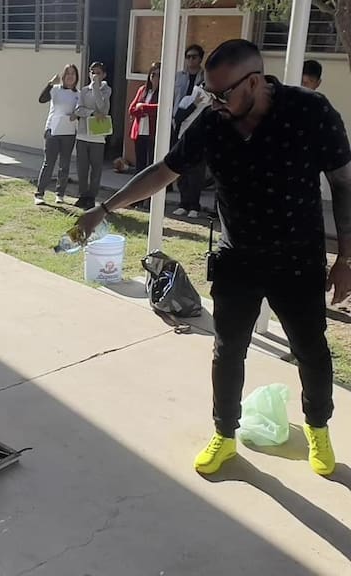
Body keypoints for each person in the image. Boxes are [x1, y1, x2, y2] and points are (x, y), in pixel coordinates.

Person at [76, 39, 350, 477]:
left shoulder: (311, 113)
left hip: (296, 260)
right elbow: (164, 171)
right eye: (208, 92)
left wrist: (346, 259)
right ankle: (224, 434)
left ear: (255, 82)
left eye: (221, 94)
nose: (214, 103)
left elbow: (344, 185)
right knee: (227, 351)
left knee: (311, 350)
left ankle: (318, 429)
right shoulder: (212, 123)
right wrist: (104, 208)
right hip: (237, 257)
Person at [35, 64, 79, 206]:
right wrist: (50, 83)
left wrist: (76, 115)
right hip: (53, 131)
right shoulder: (55, 90)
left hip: (69, 132)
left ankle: (60, 194)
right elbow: (41, 99)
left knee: (64, 164)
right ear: (63, 76)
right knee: (49, 163)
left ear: (76, 77)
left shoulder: (78, 94)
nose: (70, 76)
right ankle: (39, 194)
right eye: (68, 74)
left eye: (73, 74)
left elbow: (82, 111)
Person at [172, 45, 206, 218]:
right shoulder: (178, 77)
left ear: (200, 59)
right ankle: (183, 203)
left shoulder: (206, 79)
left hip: (198, 125)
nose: (191, 60)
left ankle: (194, 205)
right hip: (179, 124)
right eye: (188, 57)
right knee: (181, 165)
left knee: (196, 168)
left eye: (194, 57)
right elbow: (173, 99)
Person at [73, 61, 111, 211]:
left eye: (98, 73)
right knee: (82, 168)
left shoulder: (106, 90)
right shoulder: (83, 90)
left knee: (96, 169)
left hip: (98, 136)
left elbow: (103, 107)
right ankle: (82, 195)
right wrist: (91, 112)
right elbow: (78, 110)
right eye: (92, 72)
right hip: (83, 134)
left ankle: (91, 197)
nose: (94, 76)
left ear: (104, 75)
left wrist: (96, 87)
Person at [129, 62, 160, 178]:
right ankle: (138, 184)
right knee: (140, 161)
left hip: (153, 131)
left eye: (158, 75)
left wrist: (142, 107)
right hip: (140, 130)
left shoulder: (163, 92)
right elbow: (132, 109)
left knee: (151, 161)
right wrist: (142, 110)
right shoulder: (143, 90)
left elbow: (159, 108)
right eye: (153, 74)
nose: (155, 78)